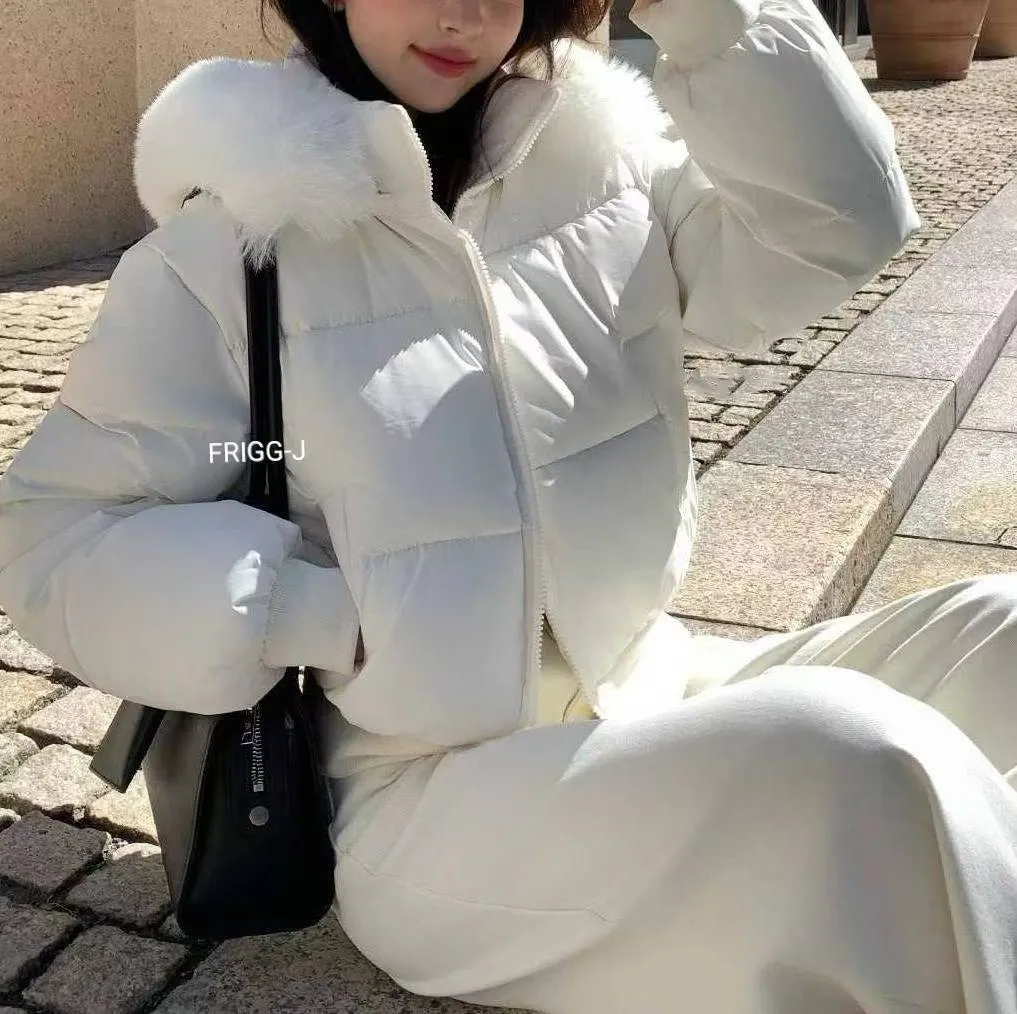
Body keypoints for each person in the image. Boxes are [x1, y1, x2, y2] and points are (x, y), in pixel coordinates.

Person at [0, 0, 1015, 1010]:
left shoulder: (602, 162)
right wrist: (315, 615)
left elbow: (835, 232)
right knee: (859, 760)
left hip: (645, 688)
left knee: (1000, 630)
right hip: (429, 792)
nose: (468, 11)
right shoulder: (232, 246)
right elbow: (57, 532)